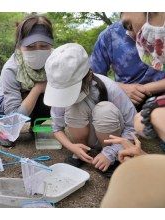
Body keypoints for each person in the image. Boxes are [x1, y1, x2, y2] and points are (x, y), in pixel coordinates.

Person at [101, 12, 165, 207]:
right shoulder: (109, 36)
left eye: (153, 13)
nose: (134, 35)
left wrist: (152, 110)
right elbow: (94, 75)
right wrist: (144, 160)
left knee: (128, 184)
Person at [43, 43, 136, 177]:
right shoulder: (60, 93)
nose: (65, 95)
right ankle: (82, 150)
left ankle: (111, 158)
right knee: (74, 106)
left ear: (87, 76)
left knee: (104, 110)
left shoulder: (110, 88)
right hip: (87, 138)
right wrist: (72, 147)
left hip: (112, 137)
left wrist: (110, 152)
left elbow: (133, 127)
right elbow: (56, 128)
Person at [0, 15, 54, 147]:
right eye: (30, 47)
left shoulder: (55, 61)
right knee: (13, 117)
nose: (38, 51)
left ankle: (35, 124)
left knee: (55, 96)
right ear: (20, 46)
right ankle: (7, 130)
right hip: (5, 106)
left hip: (30, 100)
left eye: (44, 46)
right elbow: (13, 115)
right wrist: (38, 88)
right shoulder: (12, 68)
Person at [90, 15, 165, 109]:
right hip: (125, 103)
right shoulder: (109, 36)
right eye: (127, 26)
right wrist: (121, 88)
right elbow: (93, 78)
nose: (131, 33)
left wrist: (145, 89)